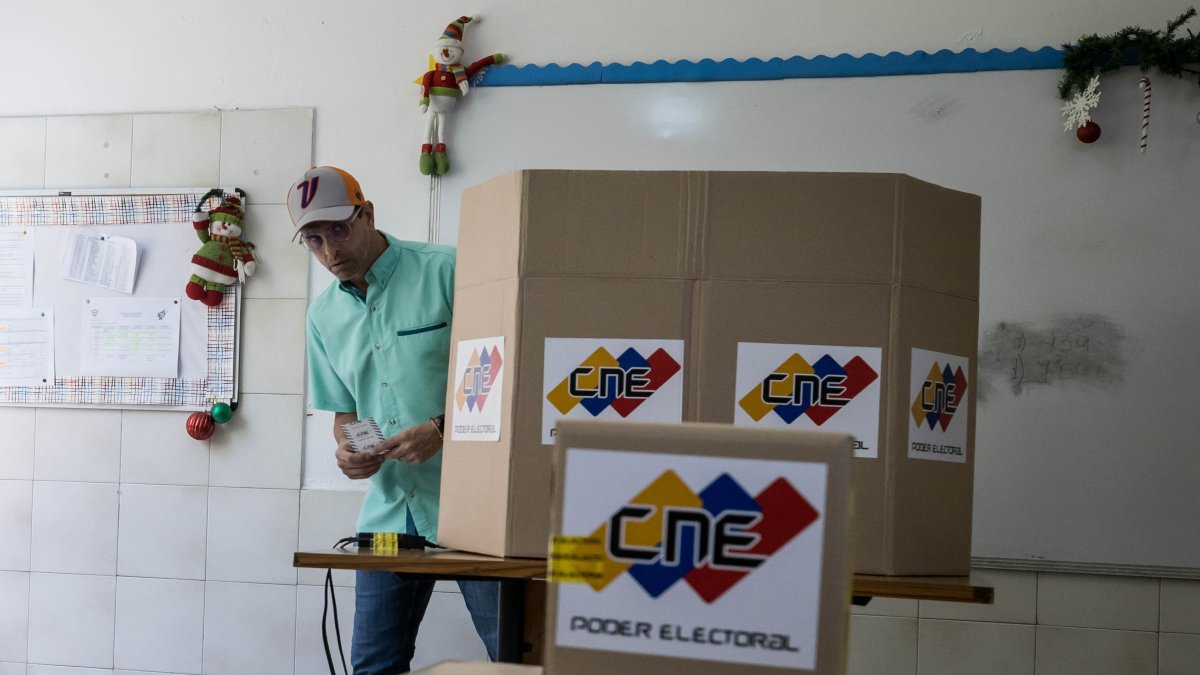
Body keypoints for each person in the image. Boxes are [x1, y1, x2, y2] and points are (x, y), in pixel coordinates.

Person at [287, 166, 498, 673]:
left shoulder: (450, 271)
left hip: (478, 505)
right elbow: (344, 412)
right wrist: (347, 449)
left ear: (368, 214)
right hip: (389, 514)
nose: (331, 251)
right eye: (314, 240)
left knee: (511, 653)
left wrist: (442, 428)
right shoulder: (322, 316)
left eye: (339, 229)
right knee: (374, 666)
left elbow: (503, 374)